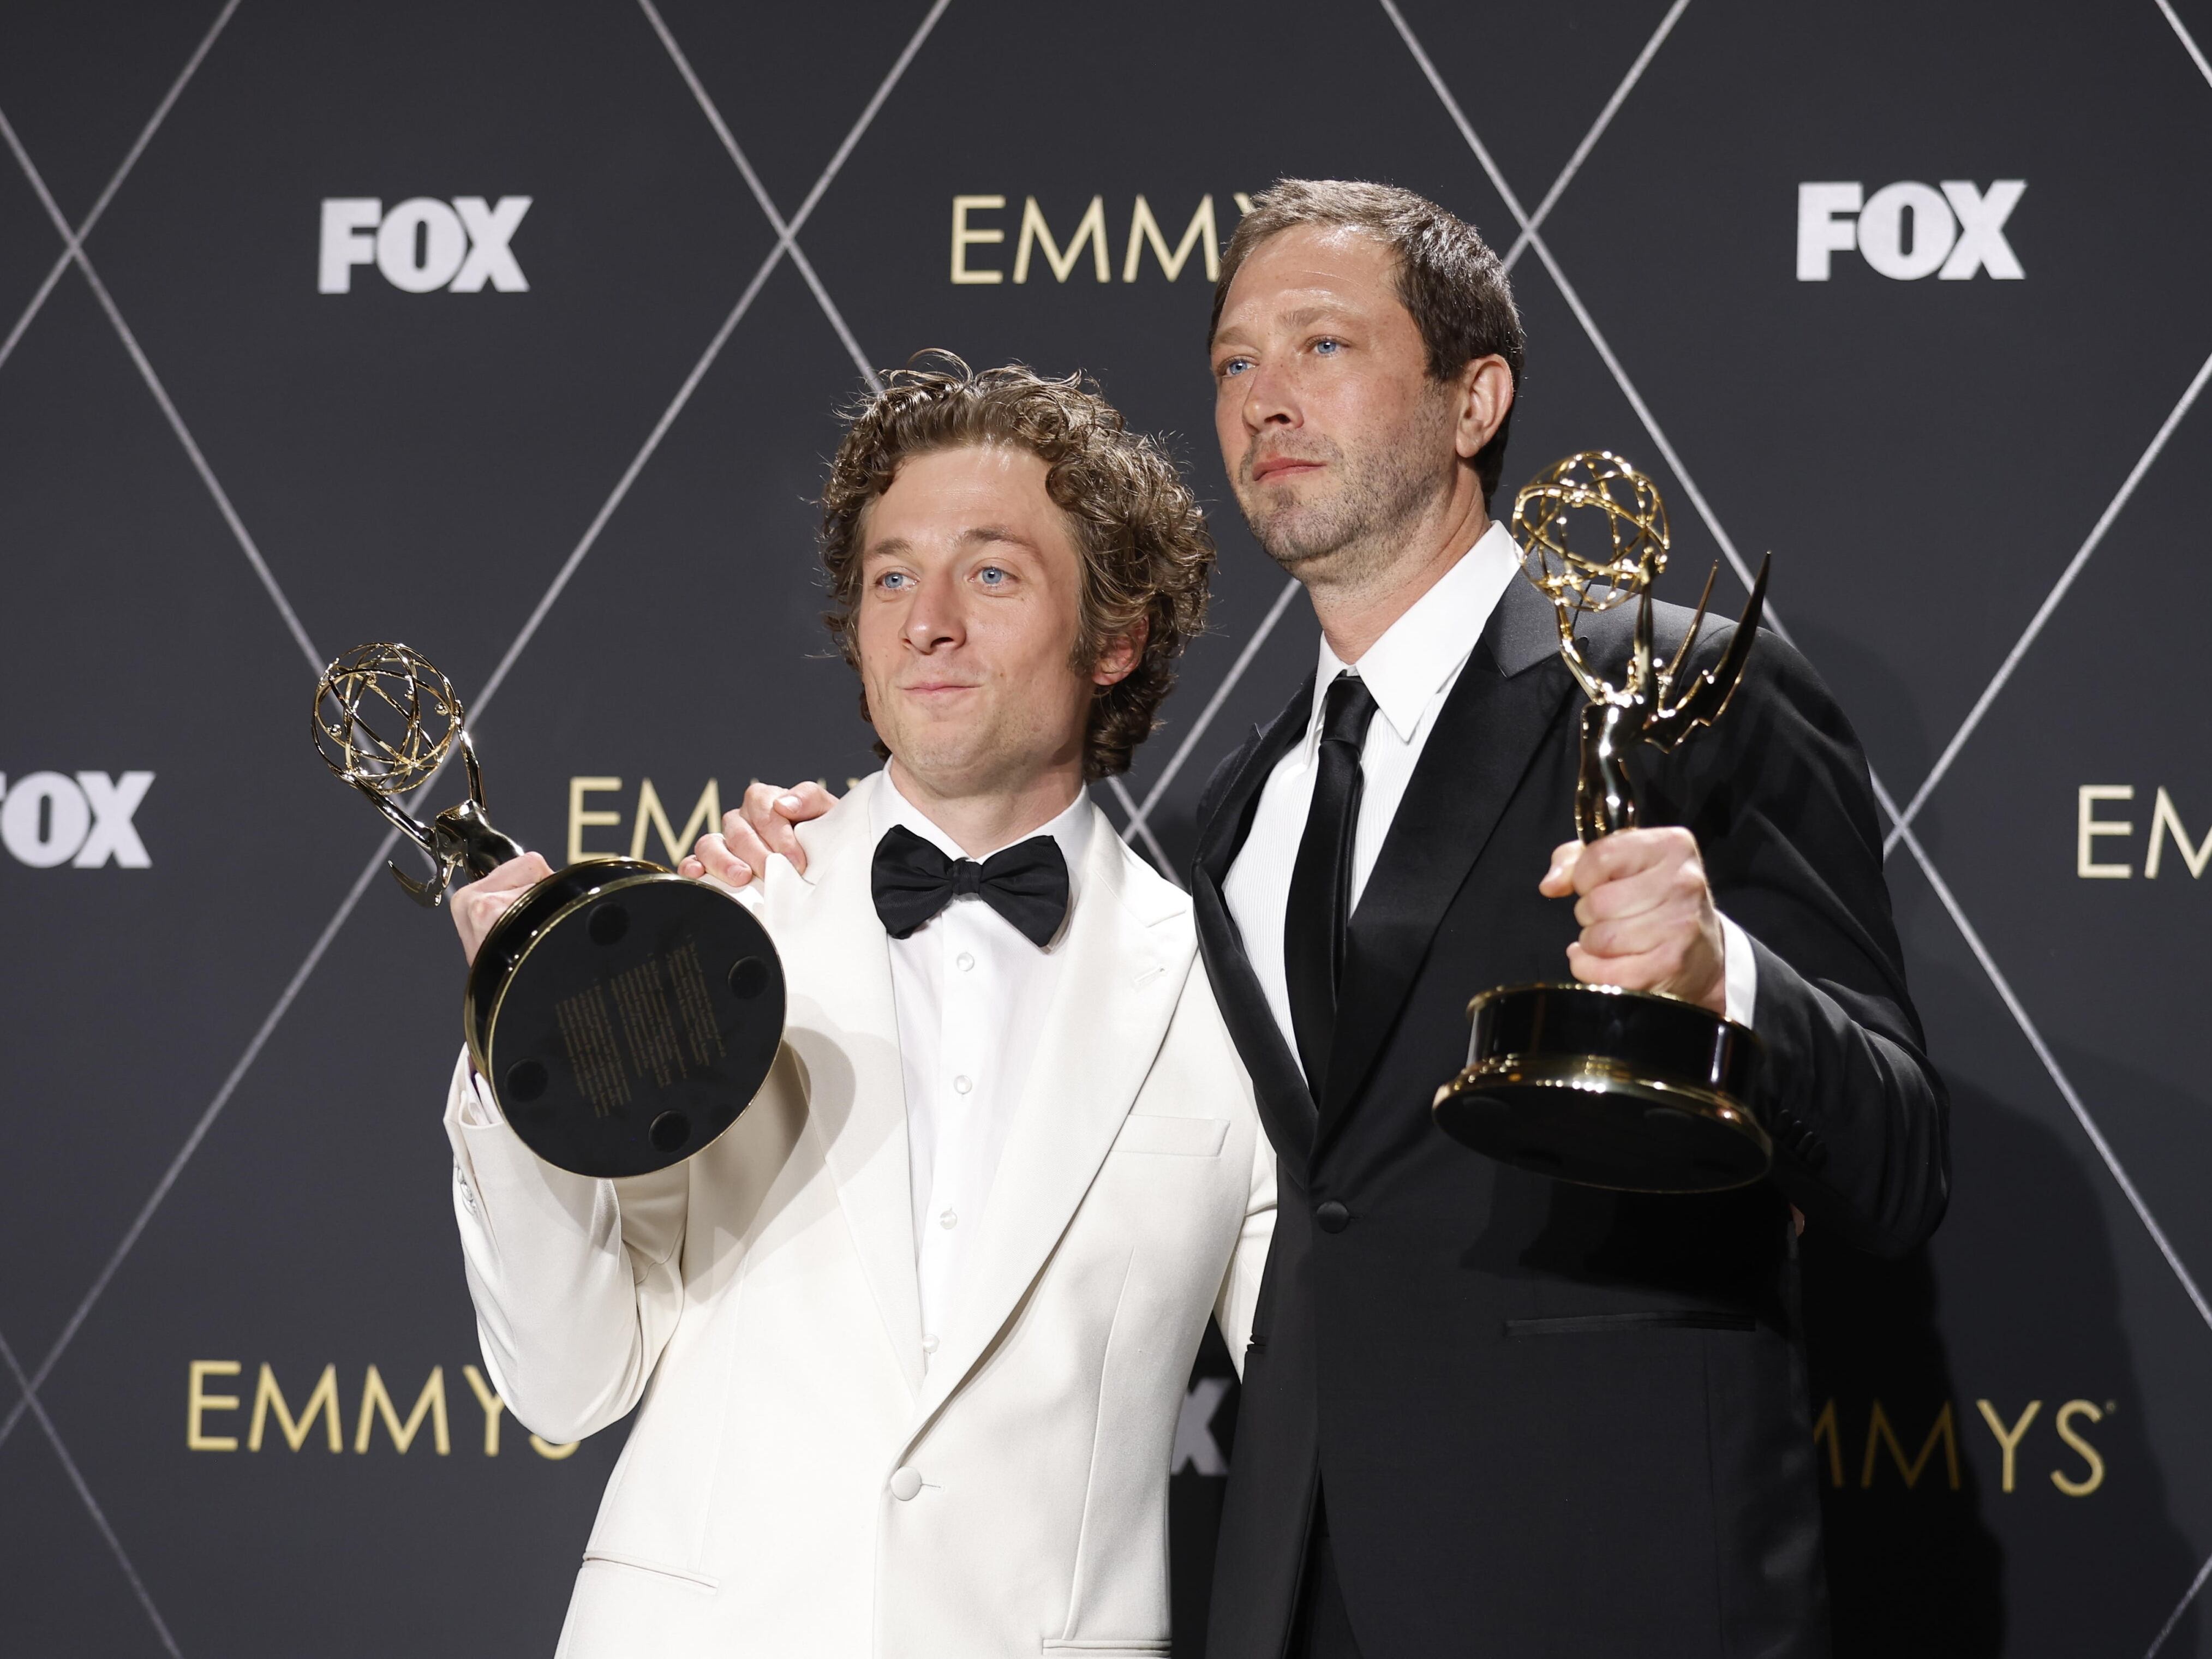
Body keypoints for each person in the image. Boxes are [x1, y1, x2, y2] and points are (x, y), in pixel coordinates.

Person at [728, 183, 1948, 1656]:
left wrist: (1724, 981)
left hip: (1612, 1571)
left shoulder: (1680, 685)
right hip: (1297, 1588)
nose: (1264, 400)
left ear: (1471, 398)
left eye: (1320, 345)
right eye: (1235, 364)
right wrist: (811, 870)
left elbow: (1895, 1159)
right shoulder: (1225, 816)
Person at [439, 358, 1275, 1658]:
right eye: (893, 576)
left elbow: (1342, 1393)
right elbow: (565, 1376)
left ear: (1115, 637)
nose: (925, 623)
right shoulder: (715, 925)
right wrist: (521, 1036)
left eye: (991, 574)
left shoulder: (1222, 989)